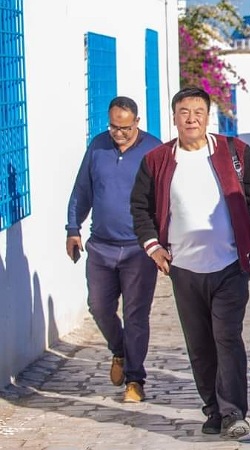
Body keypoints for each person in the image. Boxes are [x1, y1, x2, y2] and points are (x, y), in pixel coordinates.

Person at [130, 87, 250, 439]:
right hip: (183, 268)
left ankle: (233, 411)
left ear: (208, 116)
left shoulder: (235, 151)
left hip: (230, 264)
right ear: (174, 117)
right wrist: (153, 247)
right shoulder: (156, 160)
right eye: (184, 112)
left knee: (227, 337)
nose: (191, 118)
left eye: (198, 111)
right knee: (199, 344)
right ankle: (213, 409)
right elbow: (140, 208)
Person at [66, 96, 161, 403]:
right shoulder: (98, 146)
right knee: (98, 306)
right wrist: (73, 228)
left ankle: (135, 380)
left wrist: (163, 242)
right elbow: (83, 189)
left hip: (139, 249)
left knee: (136, 315)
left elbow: (166, 198)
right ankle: (119, 350)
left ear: (137, 123)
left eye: (125, 128)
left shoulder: (153, 150)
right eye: (113, 127)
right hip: (101, 246)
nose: (118, 133)